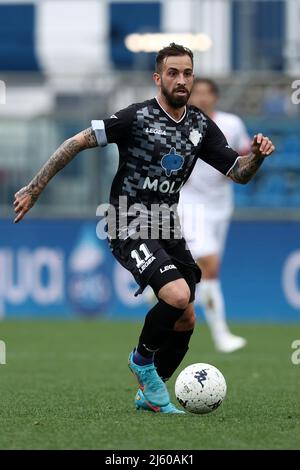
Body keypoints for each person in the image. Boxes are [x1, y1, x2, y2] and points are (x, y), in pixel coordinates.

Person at [13, 43, 275, 414]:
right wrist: (34, 187)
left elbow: (239, 173)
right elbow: (76, 142)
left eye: (187, 73)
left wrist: (258, 157)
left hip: (168, 225)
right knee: (177, 295)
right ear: (158, 78)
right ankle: (141, 361)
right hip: (126, 222)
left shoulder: (200, 126)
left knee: (186, 317)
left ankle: (151, 395)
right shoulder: (136, 118)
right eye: (173, 73)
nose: (181, 80)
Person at [179, 78, 251, 353]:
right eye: (197, 93)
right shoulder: (180, 124)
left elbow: (244, 157)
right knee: (210, 265)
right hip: (190, 203)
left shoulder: (231, 124)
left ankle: (162, 292)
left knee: (202, 272)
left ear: (216, 98)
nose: (203, 98)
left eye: (208, 93)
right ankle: (221, 335)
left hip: (221, 205)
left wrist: (255, 155)